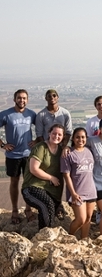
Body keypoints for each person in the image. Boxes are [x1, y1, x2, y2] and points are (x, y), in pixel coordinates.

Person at [0, 89, 37, 224]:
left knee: (29, 183)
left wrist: (37, 141)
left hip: (28, 154)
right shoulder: (6, 114)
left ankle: (28, 209)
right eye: (19, 98)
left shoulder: (31, 114)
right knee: (14, 182)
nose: (22, 100)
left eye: (24, 98)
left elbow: (42, 129)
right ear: (14, 99)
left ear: (27, 100)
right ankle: (14, 210)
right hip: (13, 155)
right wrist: (3, 144)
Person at [21, 124, 65, 230]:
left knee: (50, 207)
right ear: (49, 133)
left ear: (63, 137)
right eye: (54, 133)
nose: (56, 136)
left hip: (50, 191)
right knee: (46, 204)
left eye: (59, 134)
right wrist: (51, 178)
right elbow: (34, 169)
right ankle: (44, 233)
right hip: (32, 187)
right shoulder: (40, 147)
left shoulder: (61, 150)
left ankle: (46, 231)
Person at [61, 128, 97, 239]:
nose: (80, 139)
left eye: (83, 137)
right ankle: (69, 238)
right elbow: (66, 176)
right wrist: (73, 194)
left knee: (88, 218)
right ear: (73, 138)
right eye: (77, 137)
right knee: (80, 219)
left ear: (86, 138)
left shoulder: (89, 151)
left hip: (91, 191)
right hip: (77, 192)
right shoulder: (68, 154)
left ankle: (84, 240)